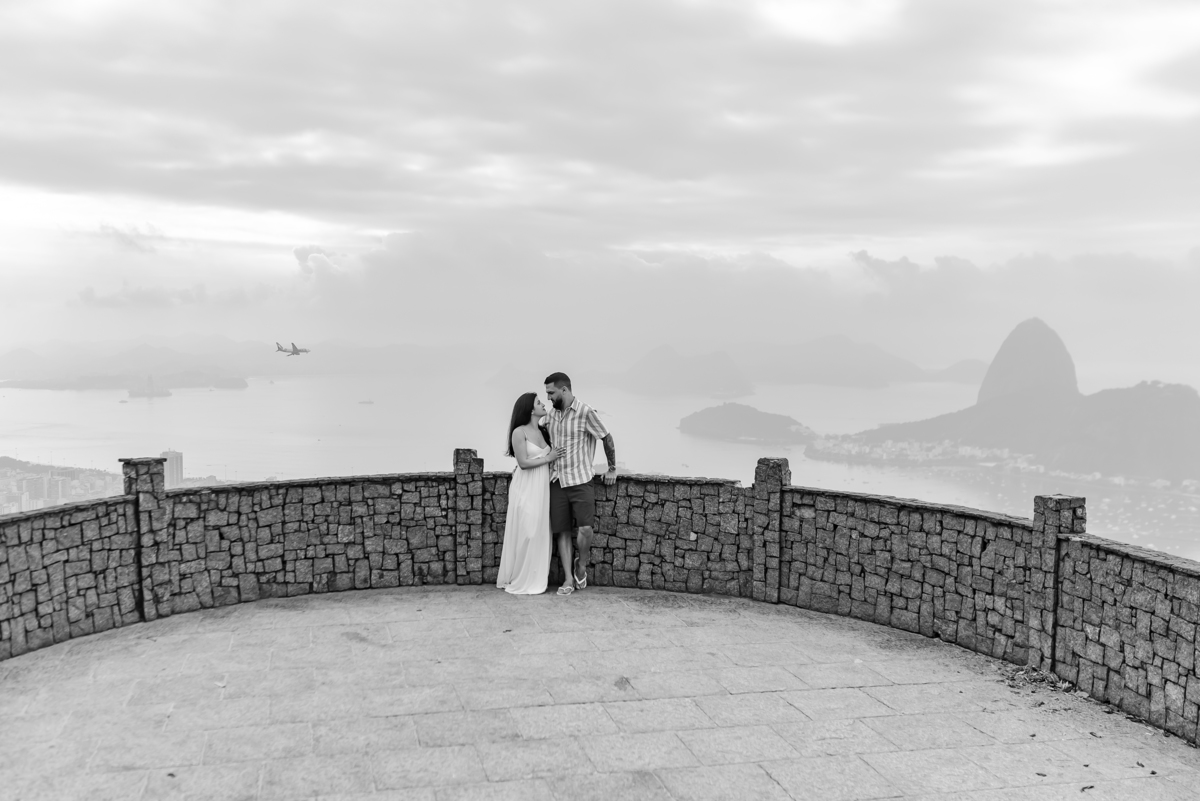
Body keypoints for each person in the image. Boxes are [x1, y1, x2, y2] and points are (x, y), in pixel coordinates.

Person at [542, 372, 617, 596]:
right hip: (556, 481)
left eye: (551, 392)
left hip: (581, 480)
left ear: (564, 390)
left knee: (585, 529)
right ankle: (567, 579)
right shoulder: (549, 416)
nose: (548, 397)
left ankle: (581, 564)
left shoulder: (585, 412)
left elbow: (607, 437)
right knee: (562, 532)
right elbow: (537, 437)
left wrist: (612, 468)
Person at [496, 392, 564, 595]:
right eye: (538, 402)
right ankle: (521, 578)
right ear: (530, 409)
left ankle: (535, 577)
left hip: (542, 487)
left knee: (540, 532)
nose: (543, 404)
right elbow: (523, 463)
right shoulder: (519, 432)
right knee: (528, 531)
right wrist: (548, 458)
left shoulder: (544, 431)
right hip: (526, 487)